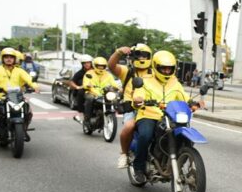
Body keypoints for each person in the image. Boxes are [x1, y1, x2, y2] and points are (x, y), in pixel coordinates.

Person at [129, 51, 192, 184]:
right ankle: (139, 168)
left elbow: (183, 97)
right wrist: (138, 99)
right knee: (145, 135)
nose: (167, 71)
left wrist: (193, 103)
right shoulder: (145, 81)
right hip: (148, 114)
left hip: (170, 117)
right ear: (156, 67)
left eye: (170, 68)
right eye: (163, 68)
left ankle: (178, 162)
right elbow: (138, 95)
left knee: (186, 136)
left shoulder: (175, 83)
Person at [109, 43, 154, 169]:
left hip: (151, 108)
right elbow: (111, 66)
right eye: (138, 55)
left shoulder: (155, 72)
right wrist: (119, 52)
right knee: (129, 126)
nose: (141, 58)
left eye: (144, 55)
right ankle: (124, 153)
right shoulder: (127, 71)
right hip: (132, 108)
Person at [0, 47, 40, 140]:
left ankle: (23, 130)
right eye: (6, 57)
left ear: (14, 59)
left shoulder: (20, 70)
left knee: (29, 111)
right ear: (3, 59)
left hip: (16, 96)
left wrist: (35, 86)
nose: (9, 59)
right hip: (0, 96)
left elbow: (29, 80)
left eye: (11, 57)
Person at [82, 57, 119, 126]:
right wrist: (88, 85)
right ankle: (87, 119)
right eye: (99, 66)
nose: (101, 68)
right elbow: (85, 84)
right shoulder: (89, 73)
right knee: (90, 99)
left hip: (104, 94)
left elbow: (114, 84)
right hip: (92, 93)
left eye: (102, 66)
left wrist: (118, 88)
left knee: (115, 98)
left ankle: (111, 113)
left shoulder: (108, 75)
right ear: (94, 66)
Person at [68, 55, 93, 123]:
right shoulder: (79, 73)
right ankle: (81, 113)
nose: (87, 64)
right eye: (85, 63)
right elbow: (71, 82)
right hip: (85, 91)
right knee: (81, 92)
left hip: (96, 90)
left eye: (88, 62)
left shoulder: (96, 71)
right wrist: (77, 87)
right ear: (82, 64)